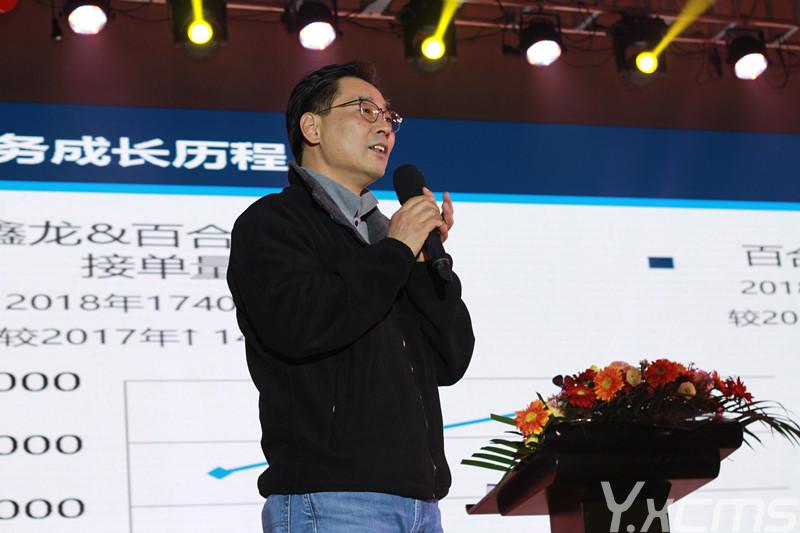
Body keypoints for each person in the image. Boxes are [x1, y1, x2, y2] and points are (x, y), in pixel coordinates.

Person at [226, 61, 474, 533]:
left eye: (389, 117)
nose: (385, 128)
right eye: (365, 110)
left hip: (421, 504)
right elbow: (301, 324)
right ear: (312, 127)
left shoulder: (389, 243)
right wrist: (396, 250)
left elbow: (450, 360)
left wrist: (424, 265)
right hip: (332, 499)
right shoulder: (273, 223)